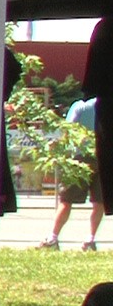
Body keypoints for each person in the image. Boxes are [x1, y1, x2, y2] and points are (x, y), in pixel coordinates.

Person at [37, 97, 103, 251]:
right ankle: (90, 239)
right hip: (102, 157)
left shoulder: (81, 106)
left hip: (79, 157)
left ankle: (53, 238)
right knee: (99, 202)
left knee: (66, 200)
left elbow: (68, 130)